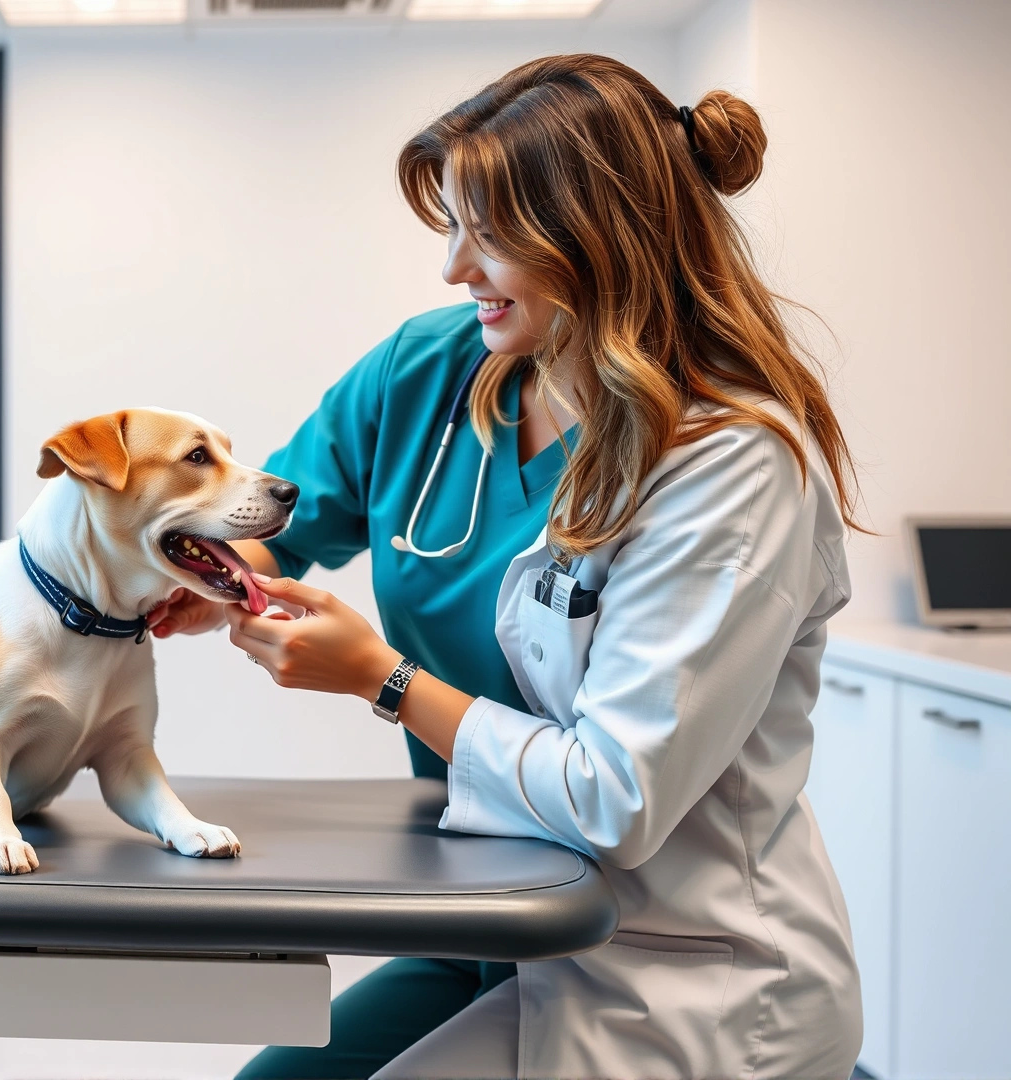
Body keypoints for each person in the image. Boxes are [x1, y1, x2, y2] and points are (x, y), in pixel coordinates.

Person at [146, 54, 864, 1079]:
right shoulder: (436, 369)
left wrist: (380, 678)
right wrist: (204, 578)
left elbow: (613, 798)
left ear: (599, 237)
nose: (453, 268)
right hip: (491, 919)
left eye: (490, 236)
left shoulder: (731, 464)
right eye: (454, 227)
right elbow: (279, 523)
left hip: (674, 961)